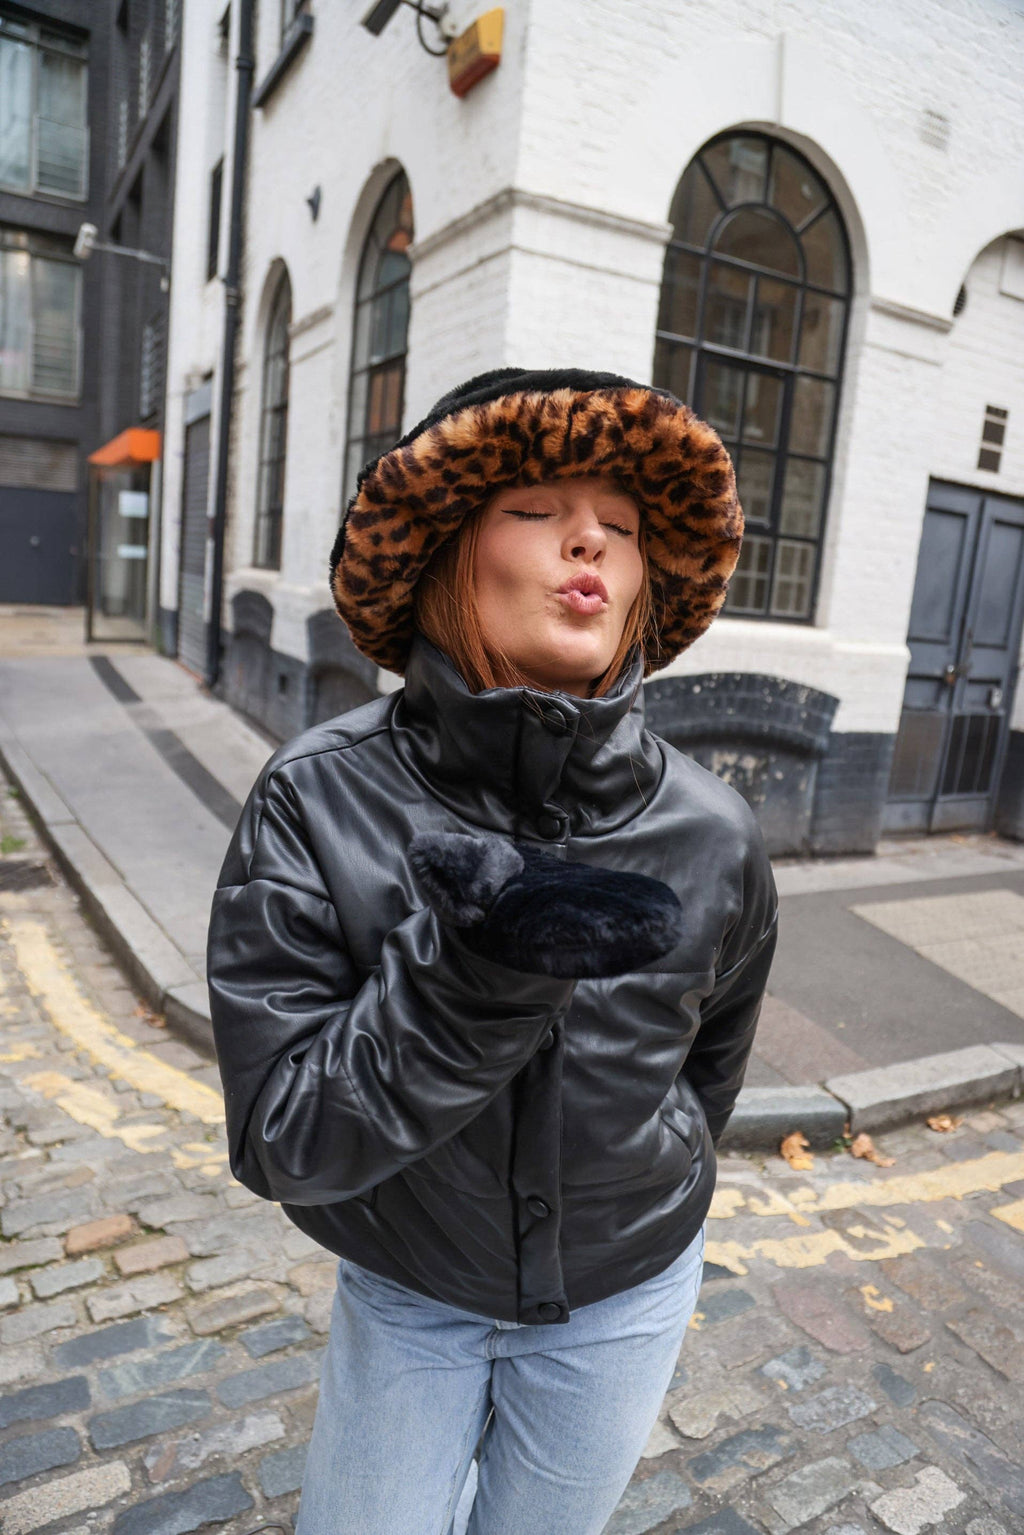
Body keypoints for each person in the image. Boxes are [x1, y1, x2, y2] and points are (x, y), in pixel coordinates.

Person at [206, 367, 779, 1535]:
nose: (589, 540)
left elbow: (708, 1065)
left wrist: (654, 1156)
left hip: (629, 1290)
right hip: (411, 1288)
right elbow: (284, 1136)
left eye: (619, 528)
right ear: (449, 552)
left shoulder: (714, 830)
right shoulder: (318, 797)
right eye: (536, 511)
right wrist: (479, 973)